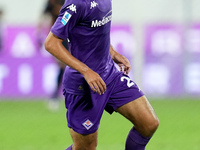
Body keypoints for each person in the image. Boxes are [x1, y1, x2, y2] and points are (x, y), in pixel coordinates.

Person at [45, 0, 159, 149]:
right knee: (86, 147)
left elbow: (98, 28)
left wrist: (112, 52)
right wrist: (86, 70)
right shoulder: (76, 4)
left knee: (148, 123)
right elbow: (51, 43)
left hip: (110, 74)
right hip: (83, 84)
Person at [39, 0, 68, 110]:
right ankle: (55, 96)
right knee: (62, 66)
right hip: (56, 36)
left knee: (68, 66)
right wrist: (39, 31)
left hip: (70, 35)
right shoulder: (51, 2)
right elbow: (43, 16)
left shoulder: (67, 1)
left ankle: (59, 95)